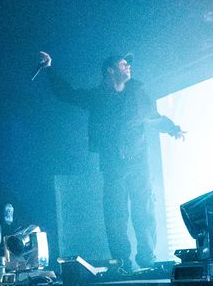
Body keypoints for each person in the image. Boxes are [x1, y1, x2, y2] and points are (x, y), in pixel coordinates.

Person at [37, 51, 184, 272]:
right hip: (113, 163)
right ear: (110, 70)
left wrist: (172, 128)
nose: (128, 67)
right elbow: (67, 94)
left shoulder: (138, 92)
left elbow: (153, 117)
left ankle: (147, 257)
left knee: (144, 209)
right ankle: (121, 260)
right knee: (115, 212)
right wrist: (49, 69)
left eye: (128, 64)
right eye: (123, 64)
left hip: (138, 161)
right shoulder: (98, 97)